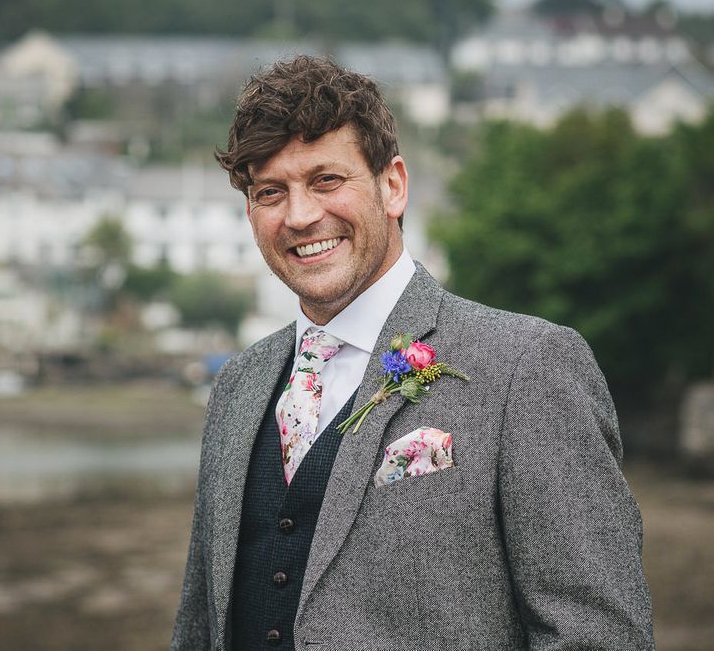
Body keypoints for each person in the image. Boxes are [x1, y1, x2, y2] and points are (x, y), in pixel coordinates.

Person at [171, 56, 654, 650]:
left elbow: (598, 637)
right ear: (252, 212)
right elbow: (199, 626)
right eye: (271, 192)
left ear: (392, 185)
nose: (300, 216)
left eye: (327, 180)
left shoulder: (529, 366)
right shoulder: (237, 385)